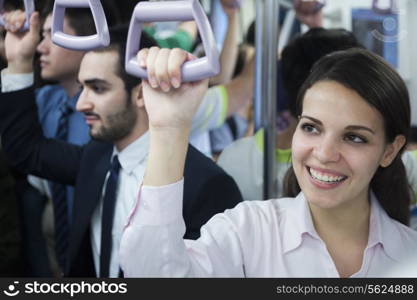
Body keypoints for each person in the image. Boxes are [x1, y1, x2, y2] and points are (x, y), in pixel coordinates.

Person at [119, 47, 417, 277]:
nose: (325, 154)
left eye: (354, 137)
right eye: (312, 127)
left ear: (390, 151)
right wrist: (169, 127)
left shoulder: (409, 254)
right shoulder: (247, 231)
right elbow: (154, 277)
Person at [0, 12, 242, 277]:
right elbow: (26, 150)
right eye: (82, 88)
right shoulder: (98, 157)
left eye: (98, 88)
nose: (81, 104)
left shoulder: (207, 184)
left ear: (141, 93)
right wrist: (19, 61)